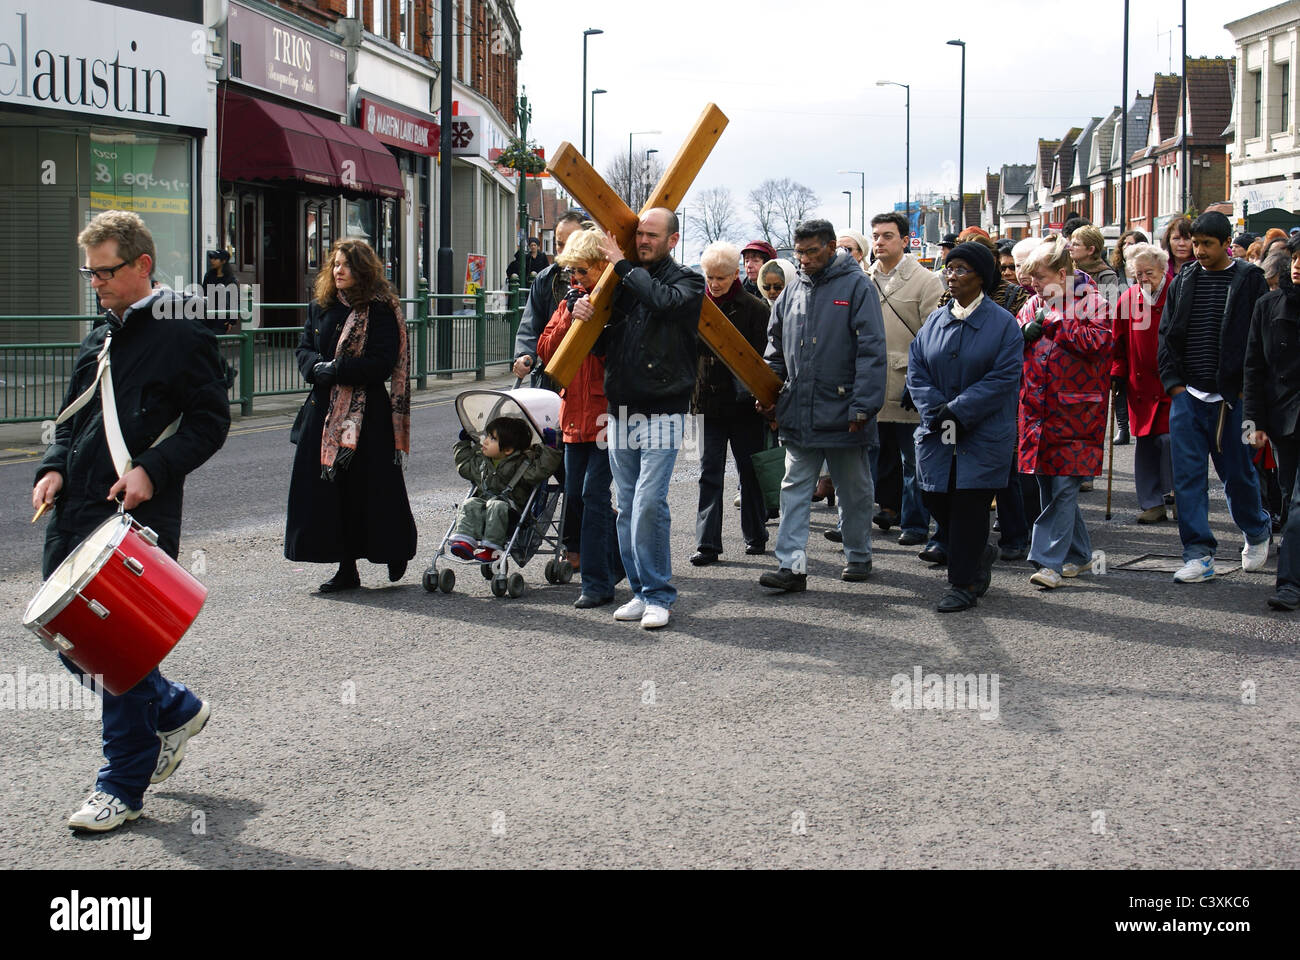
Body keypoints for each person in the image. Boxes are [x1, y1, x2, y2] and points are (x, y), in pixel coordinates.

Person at [31, 210, 230, 832]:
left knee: (109, 647)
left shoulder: (183, 328)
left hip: (133, 512)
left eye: (106, 271)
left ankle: (122, 785)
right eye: (89, 273)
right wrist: (54, 466)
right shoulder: (101, 332)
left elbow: (209, 421)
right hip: (73, 509)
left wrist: (152, 467)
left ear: (142, 265)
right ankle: (171, 708)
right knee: (69, 639)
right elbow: (70, 417)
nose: (96, 282)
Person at [573, 208, 704, 630]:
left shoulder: (688, 280)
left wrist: (623, 265)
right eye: (640, 234)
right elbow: (609, 347)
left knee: (650, 502)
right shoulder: (624, 284)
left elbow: (663, 302)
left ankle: (660, 595)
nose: (643, 240)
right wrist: (588, 323)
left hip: (665, 406)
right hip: (620, 407)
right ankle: (640, 591)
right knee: (627, 505)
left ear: (673, 239)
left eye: (652, 234)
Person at [757, 218, 886, 592]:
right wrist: (769, 393)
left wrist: (863, 406)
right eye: (799, 252)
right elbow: (775, 348)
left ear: (832, 247)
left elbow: (872, 350)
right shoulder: (793, 287)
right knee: (794, 488)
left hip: (845, 410)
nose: (804, 259)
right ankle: (791, 566)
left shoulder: (858, 285)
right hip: (800, 408)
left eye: (812, 251)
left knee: (854, 489)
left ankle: (858, 555)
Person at [285, 238, 417, 592]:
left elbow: (381, 362)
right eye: (335, 265)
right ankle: (346, 569)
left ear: (362, 270)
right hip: (324, 412)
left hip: (366, 416)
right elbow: (304, 348)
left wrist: (339, 369)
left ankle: (394, 550)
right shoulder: (322, 306)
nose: (337, 270)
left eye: (345, 265)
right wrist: (316, 369)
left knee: (373, 490)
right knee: (331, 492)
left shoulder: (380, 309)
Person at [1158, 210, 1273, 583]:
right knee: (1188, 478)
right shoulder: (1184, 278)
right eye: (1195, 243)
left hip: (1233, 399)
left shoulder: (1250, 280)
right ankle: (1198, 554)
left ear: (1227, 244)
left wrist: (1248, 391)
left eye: (1207, 244)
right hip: (1188, 396)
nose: (1199, 250)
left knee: (1238, 473)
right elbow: (1166, 335)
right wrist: (1174, 385)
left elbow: (1260, 340)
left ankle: (1256, 530)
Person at [907, 241, 1023, 611]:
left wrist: (959, 409)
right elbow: (917, 368)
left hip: (982, 430)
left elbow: (1004, 377)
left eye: (960, 270)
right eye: (948, 269)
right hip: (940, 428)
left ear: (981, 277)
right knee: (935, 496)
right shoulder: (936, 320)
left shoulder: (1003, 324)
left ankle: (963, 583)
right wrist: (935, 409)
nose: (951, 277)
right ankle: (976, 553)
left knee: (970, 502)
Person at [1016, 236, 1112, 589]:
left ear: (1061, 272)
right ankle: (1081, 555)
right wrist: (1023, 333)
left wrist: (1059, 322)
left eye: (1040, 278)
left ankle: (1049, 563)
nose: (1035, 285)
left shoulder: (1094, 302)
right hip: (1037, 411)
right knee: (1049, 485)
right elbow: (1015, 341)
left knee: (1063, 488)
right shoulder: (1032, 304)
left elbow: (1100, 344)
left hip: (1078, 412)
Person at [536, 228, 621, 608]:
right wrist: (571, 315)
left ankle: (597, 582)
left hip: (606, 412)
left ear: (603, 266)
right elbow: (546, 352)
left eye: (583, 271)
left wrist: (598, 320)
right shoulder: (569, 301)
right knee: (578, 496)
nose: (575, 279)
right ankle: (617, 566)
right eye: (572, 271)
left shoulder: (619, 298)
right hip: (574, 413)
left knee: (593, 495)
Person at [689, 241, 771, 564]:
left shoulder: (755, 308)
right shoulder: (696, 306)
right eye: (710, 277)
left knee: (749, 470)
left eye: (721, 277)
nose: (715, 283)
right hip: (706, 403)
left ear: (735, 274)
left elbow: (766, 359)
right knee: (709, 472)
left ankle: (756, 534)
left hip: (744, 404)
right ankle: (706, 543)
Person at [866, 211, 944, 547]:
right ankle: (858, 520)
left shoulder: (926, 281)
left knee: (915, 461)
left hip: (909, 385)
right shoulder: (863, 279)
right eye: (876, 236)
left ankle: (915, 524)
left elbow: (934, 336)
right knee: (866, 459)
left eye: (887, 236)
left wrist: (921, 379)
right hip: (870, 386)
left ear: (904, 240)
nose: (879, 242)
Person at [1245, 234, 1300, 609]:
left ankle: (1290, 584)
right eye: (1296, 258)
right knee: (1287, 495)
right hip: (1283, 420)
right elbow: (1254, 367)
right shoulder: (1267, 305)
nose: (1298, 265)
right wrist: (1254, 423)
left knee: (1299, 503)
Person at [1113, 243, 1175, 523]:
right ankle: (1152, 502)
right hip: (1140, 385)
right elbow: (1118, 342)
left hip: (1173, 383)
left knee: (1171, 440)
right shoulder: (1127, 299)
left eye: (1148, 272)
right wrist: (1116, 371)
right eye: (1137, 274)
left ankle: (1179, 497)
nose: (1143, 279)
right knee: (1146, 442)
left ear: (1163, 269)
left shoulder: (1177, 294)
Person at [450, 415, 562, 561]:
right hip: (484, 509)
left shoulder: (523, 465)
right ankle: (465, 542)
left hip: (511, 512)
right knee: (470, 503)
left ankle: (492, 548)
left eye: (492, 439)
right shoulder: (483, 463)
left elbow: (542, 469)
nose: (485, 441)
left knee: (496, 505)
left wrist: (551, 448)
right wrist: (463, 443)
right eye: (487, 436)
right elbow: (464, 466)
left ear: (508, 449)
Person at [512, 210, 587, 386]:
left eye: (572, 243)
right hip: (553, 375)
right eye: (560, 244)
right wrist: (524, 355)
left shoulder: (598, 278)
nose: (565, 250)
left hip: (587, 376)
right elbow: (531, 324)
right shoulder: (546, 278)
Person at [201, 248, 239, 333]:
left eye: (215, 258)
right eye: (211, 258)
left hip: (222, 317)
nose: (212, 260)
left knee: (216, 340)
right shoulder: (208, 275)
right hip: (208, 315)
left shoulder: (230, 279)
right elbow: (203, 293)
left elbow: (234, 300)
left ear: (223, 261)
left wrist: (232, 320)